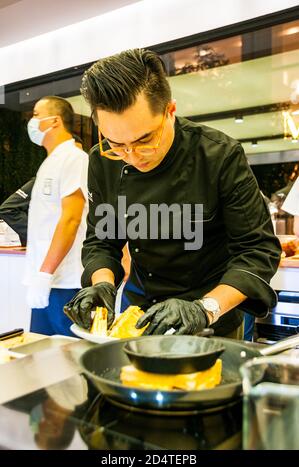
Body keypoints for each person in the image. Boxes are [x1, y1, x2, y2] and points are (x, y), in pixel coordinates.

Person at [64, 49, 281, 338]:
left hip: (211, 319)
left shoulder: (218, 155)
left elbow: (257, 250)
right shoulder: (103, 162)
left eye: (144, 140)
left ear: (170, 111)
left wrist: (204, 309)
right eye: (116, 143)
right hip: (139, 316)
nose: (131, 156)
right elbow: (103, 240)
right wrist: (102, 284)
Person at [24, 96, 88, 336]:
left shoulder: (74, 158)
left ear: (55, 121)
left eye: (37, 114)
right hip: (46, 279)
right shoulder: (50, 162)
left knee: (66, 355)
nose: (32, 121)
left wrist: (45, 273)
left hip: (65, 281)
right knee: (39, 352)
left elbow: (71, 219)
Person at [0, 136, 84, 247]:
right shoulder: (43, 182)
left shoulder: (84, 183)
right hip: (48, 252)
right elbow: (8, 209)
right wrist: (41, 236)